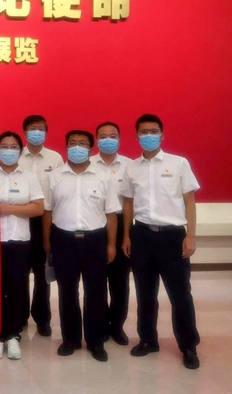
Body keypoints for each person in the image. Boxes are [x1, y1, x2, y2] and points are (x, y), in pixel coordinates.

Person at [121, 114, 201, 370]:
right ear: (137, 136)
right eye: (143, 132)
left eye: (153, 131)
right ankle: (148, 340)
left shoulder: (179, 164)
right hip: (142, 235)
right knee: (145, 293)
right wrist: (126, 235)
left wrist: (190, 235)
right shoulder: (131, 167)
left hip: (172, 236)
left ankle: (188, 345)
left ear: (162, 135)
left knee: (180, 294)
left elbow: (189, 201)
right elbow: (128, 203)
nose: (149, 136)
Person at [43, 130, 120, 362]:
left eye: (83, 143)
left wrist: (111, 245)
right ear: (66, 147)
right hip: (63, 239)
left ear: (90, 148)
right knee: (67, 291)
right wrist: (47, 241)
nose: (77, 147)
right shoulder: (54, 176)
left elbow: (111, 213)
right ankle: (71, 339)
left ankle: (96, 342)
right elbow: (47, 211)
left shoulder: (103, 177)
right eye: (72, 143)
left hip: (95, 240)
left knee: (96, 292)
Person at [0, 131, 44, 360]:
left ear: (20, 151)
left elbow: (38, 208)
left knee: (16, 288)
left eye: (14, 147)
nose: (9, 151)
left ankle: (13, 335)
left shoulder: (29, 177)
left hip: (19, 240)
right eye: (5, 146)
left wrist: (10, 209)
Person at [18, 115, 63, 336]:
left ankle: (42, 318)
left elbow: (60, 189)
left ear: (46, 132)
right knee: (19, 272)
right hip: (20, 218)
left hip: (45, 220)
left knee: (42, 272)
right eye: (32, 128)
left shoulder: (55, 158)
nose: (36, 132)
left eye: (40, 128)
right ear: (24, 132)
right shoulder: (16, 155)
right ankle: (20, 317)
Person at [90, 121, 132, 346]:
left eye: (112, 136)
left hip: (122, 225)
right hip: (95, 225)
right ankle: (99, 325)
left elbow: (130, 202)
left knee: (119, 281)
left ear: (119, 139)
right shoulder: (87, 164)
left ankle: (117, 326)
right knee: (96, 280)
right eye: (103, 136)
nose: (108, 140)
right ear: (96, 140)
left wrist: (126, 235)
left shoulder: (129, 165)